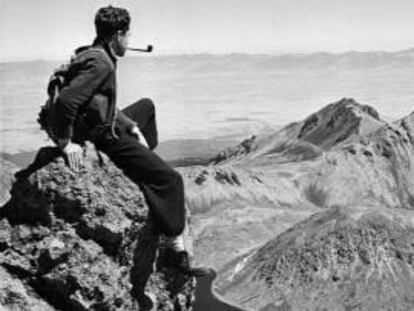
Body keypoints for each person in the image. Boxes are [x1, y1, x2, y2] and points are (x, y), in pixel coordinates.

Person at [54, 5, 209, 277]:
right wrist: (66, 143)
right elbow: (67, 101)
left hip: (105, 122)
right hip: (102, 136)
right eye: (127, 34)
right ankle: (176, 252)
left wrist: (131, 125)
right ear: (117, 36)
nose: (129, 40)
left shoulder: (93, 53)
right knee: (171, 180)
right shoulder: (101, 62)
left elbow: (101, 102)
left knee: (146, 108)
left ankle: (143, 161)